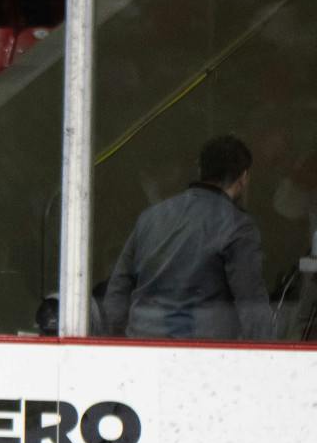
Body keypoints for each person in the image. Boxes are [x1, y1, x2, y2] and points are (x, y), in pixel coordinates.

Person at [99, 135, 272, 343]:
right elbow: (251, 303)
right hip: (204, 353)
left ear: (200, 170)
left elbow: (118, 289)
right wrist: (266, 356)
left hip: (142, 346)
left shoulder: (151, 216)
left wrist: (118, 340)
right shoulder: (237, 225)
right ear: (243, 177)